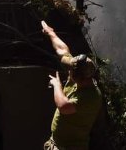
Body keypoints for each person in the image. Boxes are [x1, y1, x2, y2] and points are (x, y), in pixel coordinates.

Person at [41, 20, 102, 150]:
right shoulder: (79, 70)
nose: (69, 72)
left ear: (78, 77)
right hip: (55, 144)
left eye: (71, 72)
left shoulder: (92, 97)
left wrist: (57, 85)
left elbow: (64, 107)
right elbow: (62, 50)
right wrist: (51, 33)